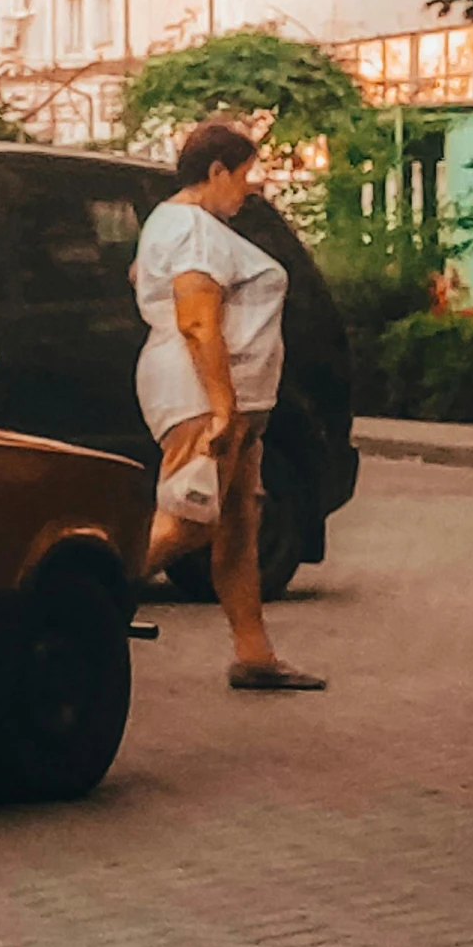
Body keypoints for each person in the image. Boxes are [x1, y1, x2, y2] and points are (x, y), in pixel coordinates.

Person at [136, 117, 326, 691]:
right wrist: (222, 407)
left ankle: (255, 654)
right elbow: (198, 320)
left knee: (238, 525)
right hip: (201, 393)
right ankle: (74, 603)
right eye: (244, 175)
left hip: (228, 396)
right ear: (216, 171)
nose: (249, 188)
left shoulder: (182, 224)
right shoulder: (192, 230)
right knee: (190, 519)